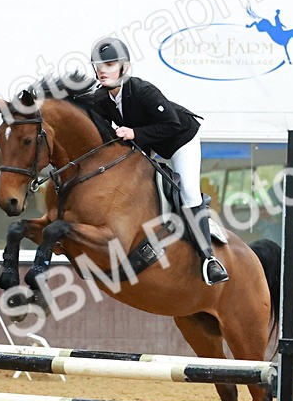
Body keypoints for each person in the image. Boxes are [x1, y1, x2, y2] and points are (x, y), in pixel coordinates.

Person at [84, 37, 228, 286]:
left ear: (124, 67)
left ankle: (209, 259)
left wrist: (134, 133)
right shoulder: (101, 99)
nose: (102, 70)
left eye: (109, 64)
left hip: (180, 139)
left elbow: (172, 123)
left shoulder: (143, 90)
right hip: (149, 144)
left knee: (189, 193)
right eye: (98, 65)